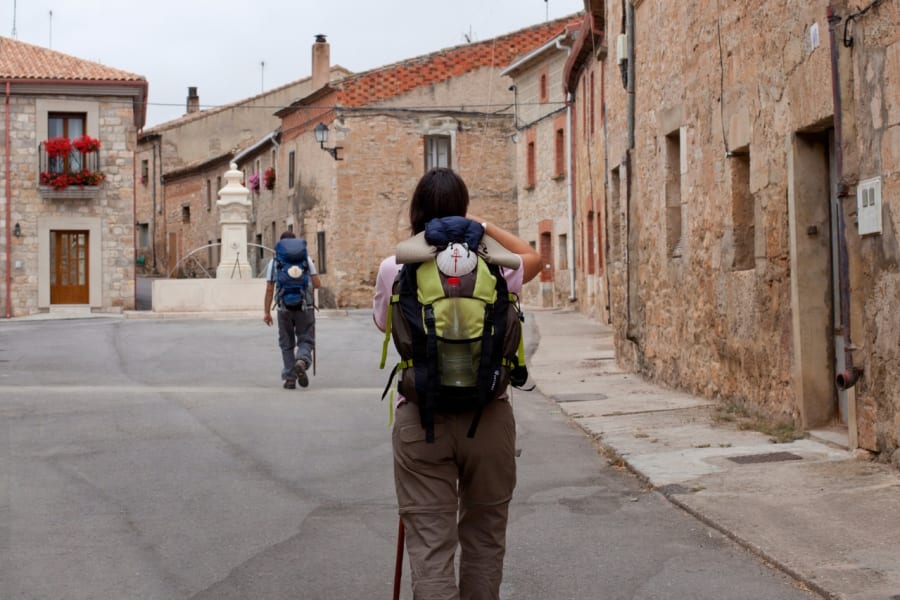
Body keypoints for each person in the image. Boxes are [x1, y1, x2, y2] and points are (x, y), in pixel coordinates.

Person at [373, 168, 541, 599]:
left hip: (421, 420)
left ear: (416, 211)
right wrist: (483, 228)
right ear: (464, 208)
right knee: (484, 540)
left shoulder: (396, 266)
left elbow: (385, 326)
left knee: (430, 548)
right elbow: (536, 258)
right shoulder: (495, 263)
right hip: (489, 416)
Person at [263, 231, 321, 389]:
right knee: (306, 339)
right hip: (305, 306)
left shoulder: (275, 262)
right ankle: (301, 360)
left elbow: (269, 288)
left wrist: (267, 312)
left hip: (283, 308)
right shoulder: (306, 259)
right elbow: (317, 284)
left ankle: (290, 379)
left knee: (286, 343)